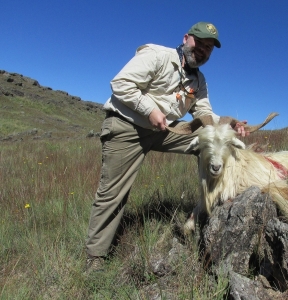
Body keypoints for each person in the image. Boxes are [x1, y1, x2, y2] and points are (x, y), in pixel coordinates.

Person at [85, 22, 247, 273]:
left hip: (163, 131)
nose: (203, 50)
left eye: (208, 48)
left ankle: (210, 207)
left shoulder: (199, 81)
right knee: (113, 192)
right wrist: (149, 110)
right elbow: (121, 83)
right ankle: (95, 258)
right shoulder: (158, 56)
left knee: (208, 141)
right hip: (127, 127)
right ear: (186, 39)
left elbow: (204, 113)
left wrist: (230, 125)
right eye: (199, 43)